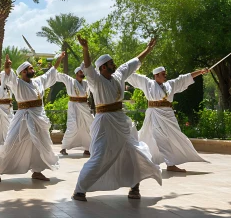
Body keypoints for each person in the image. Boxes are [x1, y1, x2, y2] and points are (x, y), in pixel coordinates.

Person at [72, 35, 162, 202]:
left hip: (121, 121)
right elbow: (89, 67)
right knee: (99, 156)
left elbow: (134, 62)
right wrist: (85, 49)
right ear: (103, 67)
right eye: (111, 63)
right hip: (104, 123)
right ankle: (79, 190)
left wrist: (148, 49)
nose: (115, 64)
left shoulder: (119, 75)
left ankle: (134, 186)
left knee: (134, 151)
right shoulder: (95, 81)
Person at [0, 52, 66, 182]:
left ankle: (37, 171)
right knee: (12, 143)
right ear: (23, 72)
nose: (33, 69)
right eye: (30, 68)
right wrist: (7, 67)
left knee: (41, 145)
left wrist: (59, 59)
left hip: (38, 118)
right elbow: (8, 76)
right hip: (23, 118)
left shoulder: (38, 81)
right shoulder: (17, 83)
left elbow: (52, 72)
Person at [126, 66, 209, 172]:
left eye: (165, 74)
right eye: (163, 74)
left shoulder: (170, 85)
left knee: (172, 137)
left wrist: (200, 72)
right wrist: (122, 70)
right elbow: (131, 76)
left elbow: (184, 79)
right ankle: (170, 164)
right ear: (156, 75)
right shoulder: (147, 83)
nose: (165, 76)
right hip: (154, 115)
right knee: (160, 138)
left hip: (168, 116)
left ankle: (143, 160)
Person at [57, 66, 94, 156]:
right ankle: (64, 147)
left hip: (85, 106)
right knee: (73, 126)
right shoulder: (70, 81)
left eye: (83, 72)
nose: (82, 74)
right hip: (74, 106)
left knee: (89, 125)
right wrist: (52, 71)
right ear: (76, 74)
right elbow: (60, 75)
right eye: (81, 72)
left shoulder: (86, 83)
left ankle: (87, 148)